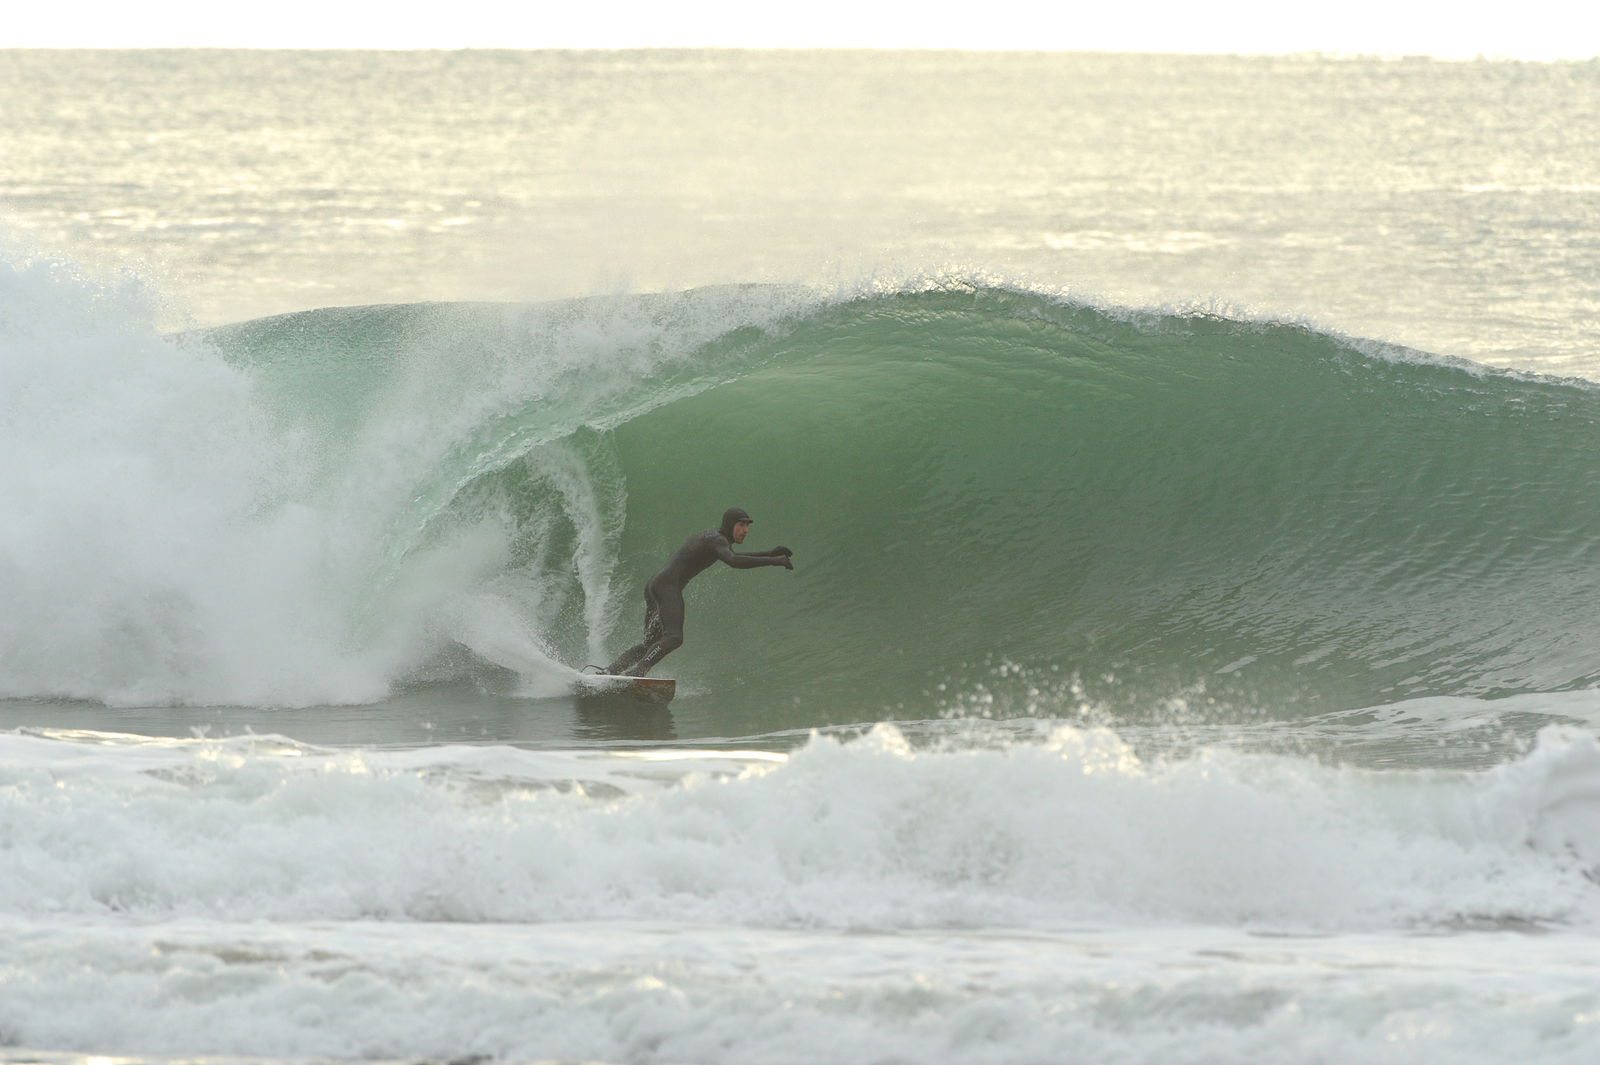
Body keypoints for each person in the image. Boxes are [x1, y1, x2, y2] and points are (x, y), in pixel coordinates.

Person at [601, 507, 793, 677]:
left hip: (654, 585)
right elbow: (734, 561)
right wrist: (774, 561)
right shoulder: (718, 540)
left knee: (649, 644)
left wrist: (769, 553)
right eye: (741, 525)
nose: (746, 530)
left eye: (747, 526)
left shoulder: (712, 538)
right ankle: (638, 672)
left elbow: (735, 556)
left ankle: (611, 671)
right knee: (674, 637)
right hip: (667, 586)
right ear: (730, 524)